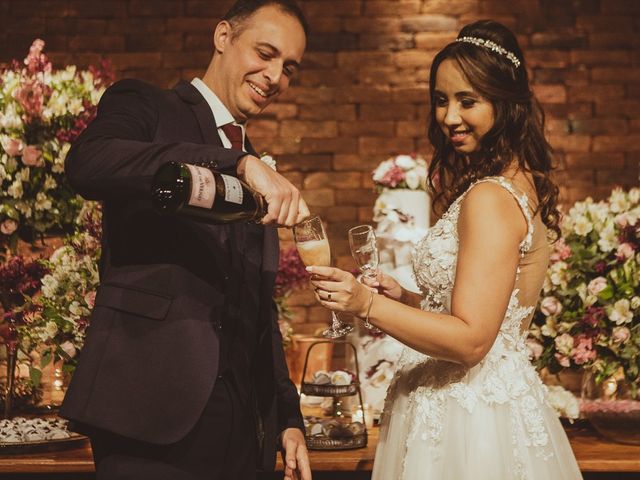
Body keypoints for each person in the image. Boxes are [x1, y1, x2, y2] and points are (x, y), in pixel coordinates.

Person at [307, 20, 583, 480]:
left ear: (504, 102)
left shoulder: (490, 198)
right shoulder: (518, 185)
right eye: (440, 100)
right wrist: (405, 299)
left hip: (468, 421)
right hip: (479, 404)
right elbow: (479, 314)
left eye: (467, 100)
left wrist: (366, 303)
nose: (449, 116)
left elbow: (473, 341)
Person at [60, 1, 312, 479]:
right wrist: (232, 163)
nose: (276, 76)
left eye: (290, 68)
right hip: (146, 416)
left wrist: (287, 416)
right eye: (265, 52)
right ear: (223, 37)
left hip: (241, 432)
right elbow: (89, 163)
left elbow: (260, 309)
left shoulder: (258, 170)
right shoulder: (148, 106)